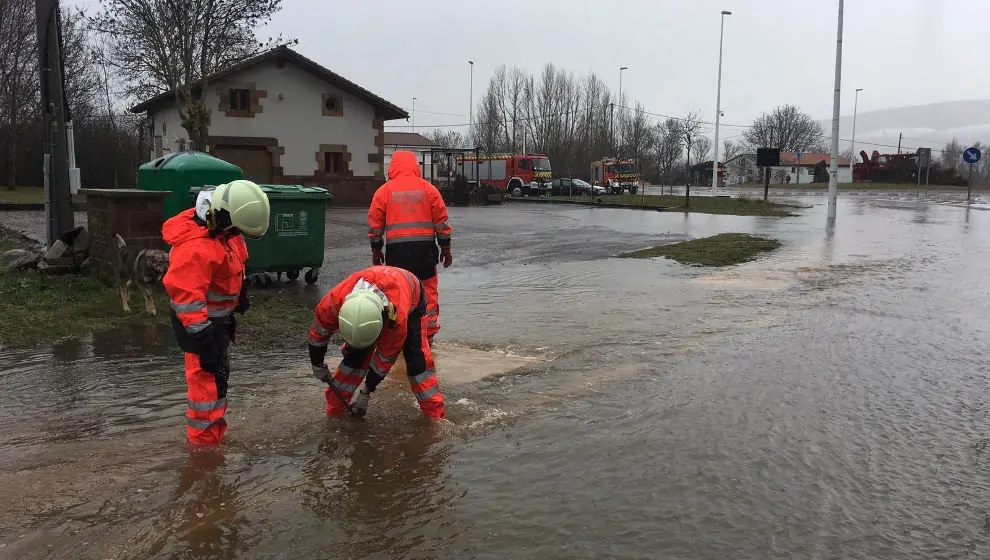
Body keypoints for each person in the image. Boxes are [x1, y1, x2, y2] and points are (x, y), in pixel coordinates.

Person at [162, 180, 271, 446]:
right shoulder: (194, 248)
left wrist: (240, 290)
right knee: (206, 390)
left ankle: (213, 438)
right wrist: (204, 339)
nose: (237, 233)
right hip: (200, 329)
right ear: (220, 215)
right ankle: (204, 451)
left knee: (217, 383)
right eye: (235, 229)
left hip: (216, 325)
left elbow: (238, 254)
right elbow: (187, 299)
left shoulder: (225, 228)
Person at [307, 264, 445, 419]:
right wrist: (317, 363)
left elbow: (384, 359)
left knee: (417, 363)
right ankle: (335, 409)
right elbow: (318, 335)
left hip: (411, 296)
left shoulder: (396, 321)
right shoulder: (331, 303)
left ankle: (435, 416)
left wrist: (366, 392)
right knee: (354, 358)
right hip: (378, 293)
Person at [367, 150, 452, 346]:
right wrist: (446, 249)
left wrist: (376, 250)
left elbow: (375, 226)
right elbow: (441, 223)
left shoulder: (384, 191)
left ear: (392, 168)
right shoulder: (429, 190)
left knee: (398, 293)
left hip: (397, 255)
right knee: (428, 292)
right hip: (425, 253)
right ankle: (427, 335)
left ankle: (398, 333)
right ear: (415, 167)